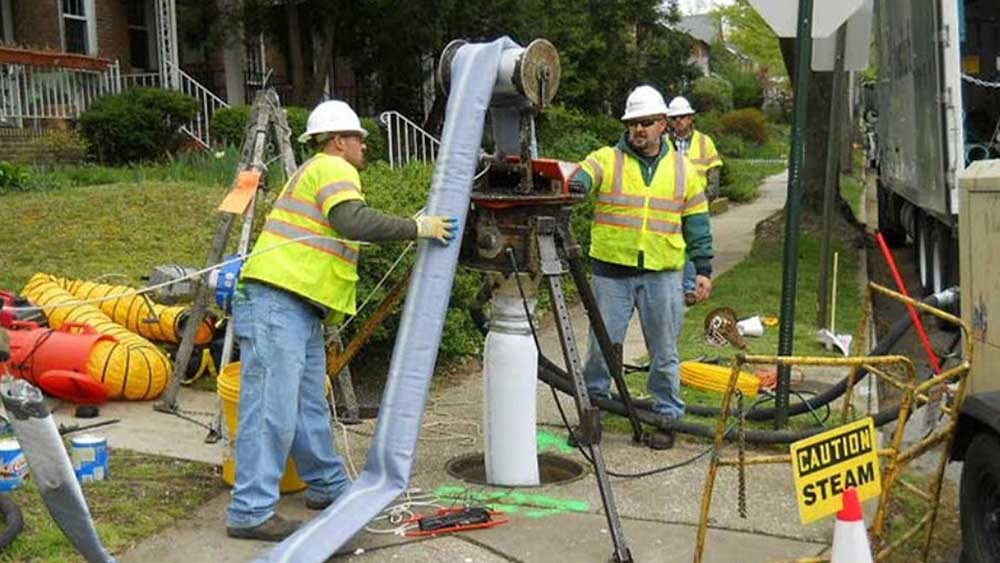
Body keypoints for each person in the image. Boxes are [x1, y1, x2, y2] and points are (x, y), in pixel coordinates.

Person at [225, 100, 457, 541]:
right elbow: (351, 220)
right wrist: (416, 227)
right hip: (279, 301)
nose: (364, 146)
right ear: (338, 141)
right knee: (271, 409)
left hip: (294, 304)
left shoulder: (317, 169)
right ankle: (250, 511)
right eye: (359, 139)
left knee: (309, 403)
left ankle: (328, 486)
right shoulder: (334, 168)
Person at [574, 85, 713, 450]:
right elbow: (582, 175)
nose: (639, 129)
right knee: (601, 350)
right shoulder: (607, 159)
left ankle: (667, 417)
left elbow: (698, 223)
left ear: (663, 124)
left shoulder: (684, 170)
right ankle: (592, 415)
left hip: (663, 274)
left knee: (664, 352)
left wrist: (703, 269)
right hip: (611, 273)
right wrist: (576, 184)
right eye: (633, 123)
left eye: (646, 122)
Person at [666, 96, 723, 306]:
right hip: (670, 202)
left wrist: (709, 194)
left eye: (682, 117)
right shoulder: (664, 142)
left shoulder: (704, 142)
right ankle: (673, 286)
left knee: (693, 243)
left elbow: (714, 169)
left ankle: (689, 287)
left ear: (690, 118)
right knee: (673, 244)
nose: (678, 121)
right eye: (674, 118)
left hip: (696, 202)